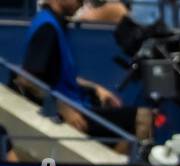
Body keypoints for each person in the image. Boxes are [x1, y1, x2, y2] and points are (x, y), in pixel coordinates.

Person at [18, 0, 152, 150]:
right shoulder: (47, 28)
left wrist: (95, 88)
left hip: (76, 103)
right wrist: (62, 108)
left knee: (131, 122)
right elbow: (26, 80)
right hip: (69, 112)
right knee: (143, 116)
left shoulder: (52, 22)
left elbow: (56, 75)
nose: (83, 1)